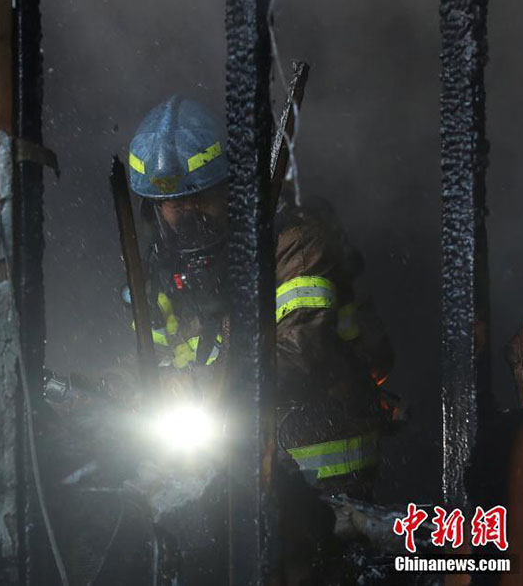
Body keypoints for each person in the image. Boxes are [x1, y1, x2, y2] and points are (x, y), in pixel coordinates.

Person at [126, 94, 396, 498]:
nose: (188, 218)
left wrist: (187, 388)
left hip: (323, 479)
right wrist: (117, 389)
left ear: (232, 192)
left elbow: (299, 352)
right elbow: (151, 358)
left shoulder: (296, 245)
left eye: (200, 200)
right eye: (174, 206)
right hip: (226, 476)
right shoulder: (165, 273)